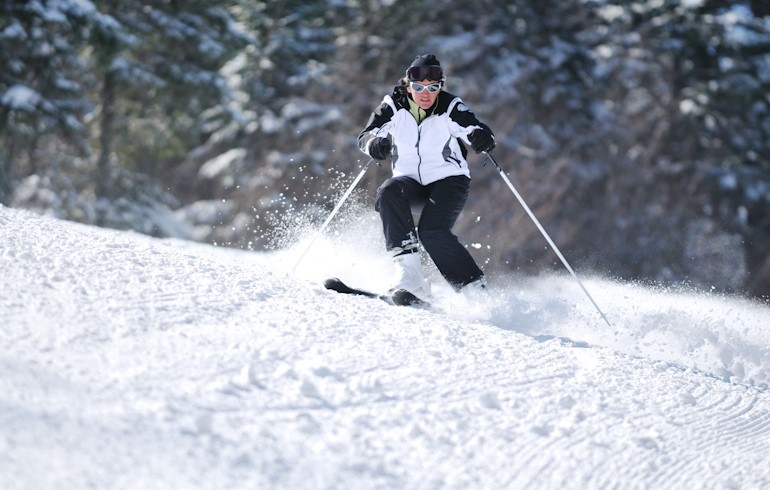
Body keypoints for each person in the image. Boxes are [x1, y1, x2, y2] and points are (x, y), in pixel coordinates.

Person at [358, 53, 497, 300]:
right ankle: (411, 277)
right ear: (408, 85)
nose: (425, 94)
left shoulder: (450, 106)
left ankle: (475, 291)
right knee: (389, 192)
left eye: (433, 88)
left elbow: (473, 127)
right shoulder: (393, 105)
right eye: (418, 87)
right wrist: (374, 145)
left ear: (440, 87)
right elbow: (367, 135)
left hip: (448, 181)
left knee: (432, 231)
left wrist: (481, 137)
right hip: (409, 182)